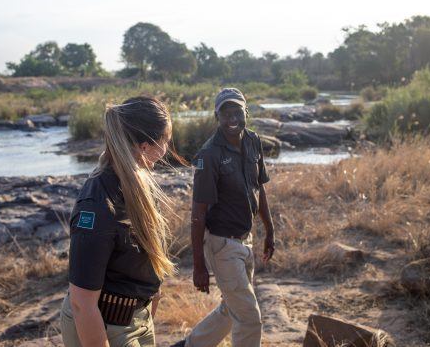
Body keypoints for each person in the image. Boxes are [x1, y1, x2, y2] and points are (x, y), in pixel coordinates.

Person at [60, 96, 177, 347]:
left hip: (137, 321)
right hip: (103, 328)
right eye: (165, 141)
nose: (166, 150)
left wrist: (148, 314)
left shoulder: (137, 184)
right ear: (144, 147)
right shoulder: (98, 205)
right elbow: (82, 304)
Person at [172, 88, 275, 347]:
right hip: (221, 245)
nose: (232, 117)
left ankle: (189, 346)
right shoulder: (209, 155)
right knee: (249, 317)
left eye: (237, 110)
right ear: (217, 116)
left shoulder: (253, 141)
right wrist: (198, 265)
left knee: (233, 309)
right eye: (225, 112)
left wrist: (269, 231)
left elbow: (258, 187)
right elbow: (198, 214)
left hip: (246, 240)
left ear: (246, 112)